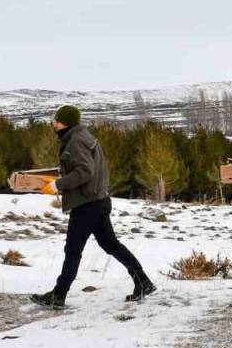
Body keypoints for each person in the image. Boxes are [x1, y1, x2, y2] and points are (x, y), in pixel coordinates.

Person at [31, 105, 155, 308]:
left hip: (87, 205)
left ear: (66, 122)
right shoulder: (82, 136)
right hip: (98, 201)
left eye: (57, 120)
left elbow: (84, 172)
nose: (53, 123)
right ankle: (143, 282)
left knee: (73, 250)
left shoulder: (76, 141)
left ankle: (58, 295)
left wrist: (58, 184)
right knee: (111, 245)